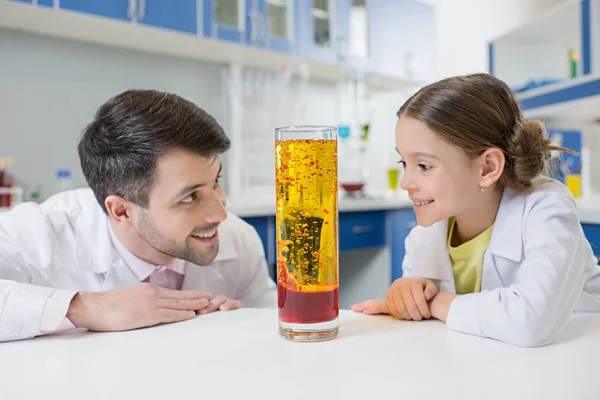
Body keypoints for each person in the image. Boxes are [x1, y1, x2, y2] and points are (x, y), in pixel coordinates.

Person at [0, 90, 275, 342]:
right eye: (190, 197)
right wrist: (87, 307)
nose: (221, 213)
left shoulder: (237, 240)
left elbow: (276, 336)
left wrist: (243, 325)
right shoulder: (40, 233)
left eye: (217, 181)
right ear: (121, 211)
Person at [352, 73, 600, 347]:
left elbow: (531, 321)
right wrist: (405, 294)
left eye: (423, 166)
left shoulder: (547, 209)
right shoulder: (428, 233)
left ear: (487, 168)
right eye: (404, 163)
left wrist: (434, 302)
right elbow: (430, 321)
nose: (406, 183)